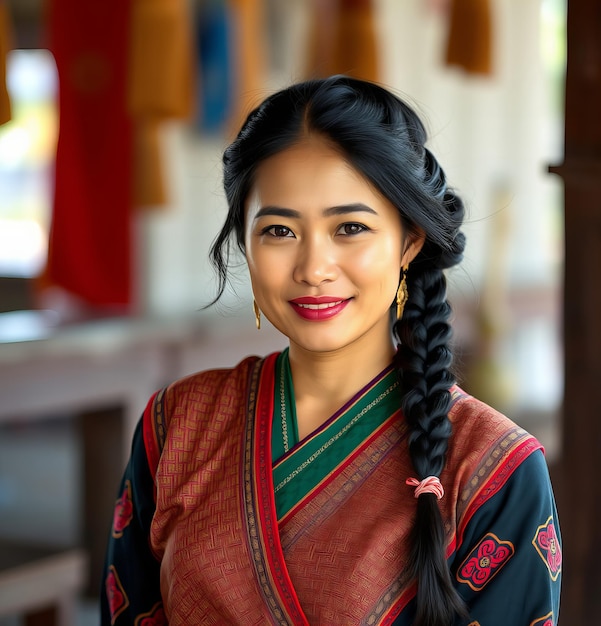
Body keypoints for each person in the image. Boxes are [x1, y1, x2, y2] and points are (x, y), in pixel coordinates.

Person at [101, 75, 561, 626]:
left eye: (349, 227)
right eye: (279, 231)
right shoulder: (178, 423)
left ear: (409, 240)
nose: (314, 268)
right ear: (243, 243)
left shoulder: (493, 469)